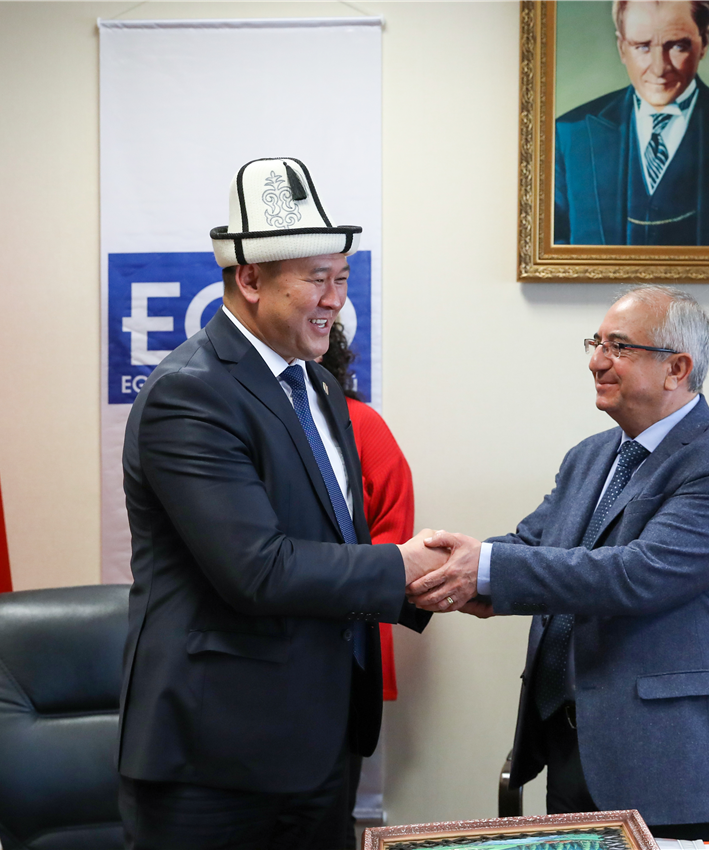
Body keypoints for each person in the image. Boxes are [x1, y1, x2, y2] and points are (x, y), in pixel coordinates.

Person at [118, 157, 440, 850]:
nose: (335, 300)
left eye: (343, 279)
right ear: (249, 279)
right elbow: (256, 569)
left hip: (321, 744)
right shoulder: (191, 393)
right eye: (317, 279)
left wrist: (434, 580)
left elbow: (338, 545)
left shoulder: (317, 386)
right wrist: (400, 568)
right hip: (216, 760)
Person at [408, 286, 709, 840]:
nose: (596, 361)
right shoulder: (590, 456)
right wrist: (426, 564)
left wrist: (484, 569)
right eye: (596, 343)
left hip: (667, 762)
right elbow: (532, 545)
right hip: (569, 743)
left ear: (677, 368)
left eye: (618, 347)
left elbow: (634, 576)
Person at [554, 0, 709, 247]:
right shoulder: (569, 134)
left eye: (678, 46)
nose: (659, 69)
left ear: (704, 42)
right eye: (642, 47)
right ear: (621, 48)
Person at [318, 322, 416, 847]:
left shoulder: (361, 426)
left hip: (341, 655)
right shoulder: (236, 424)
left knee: (331, 818)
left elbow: (391, 545)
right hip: (252, 665)